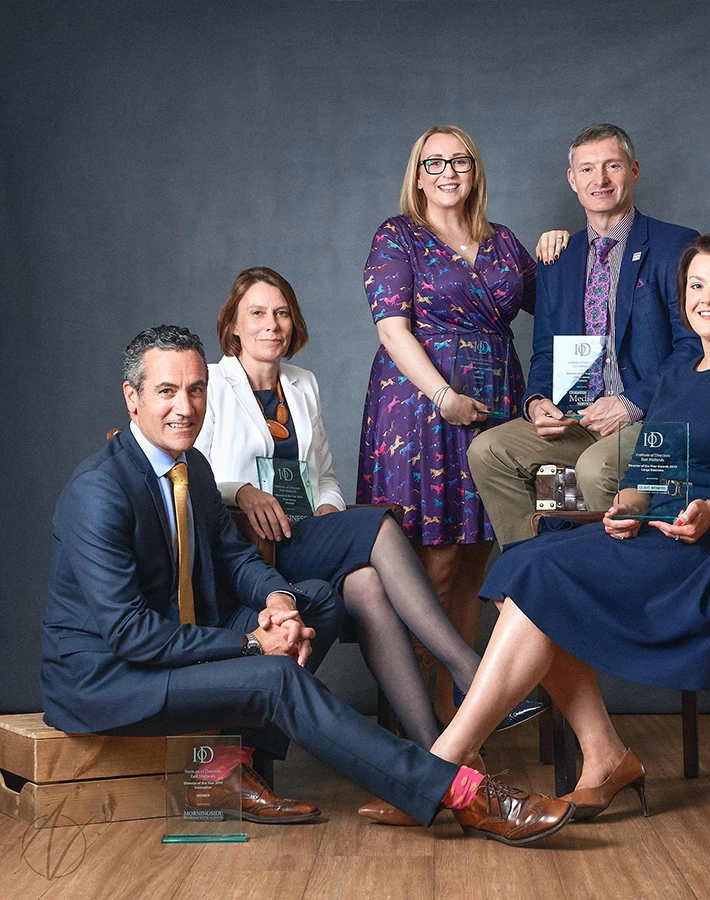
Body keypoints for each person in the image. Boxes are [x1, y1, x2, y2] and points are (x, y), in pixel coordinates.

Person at [40, 325, 574, 844]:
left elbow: (232, 558)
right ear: (132, 398)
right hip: (110, 677)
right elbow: (131, 635)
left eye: (196, 389)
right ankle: (461, 792)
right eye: (166, 391)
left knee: (314, 600)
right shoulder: (99, 492)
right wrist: (253, 642)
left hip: (175, 640)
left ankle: (231, 767)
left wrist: (278, 602)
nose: (186, 406)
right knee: (276, 678)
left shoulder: (192, 469)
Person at [425, 233, 710, 820]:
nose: (706, 299)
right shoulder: (680, 372)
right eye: (696, 286)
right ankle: (598, 756)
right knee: (528, 565)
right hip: (652, 536)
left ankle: (442, 767)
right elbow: (648, 467)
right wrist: (629, 506)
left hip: (708, 555)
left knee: (541, 575)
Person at [195, 267, 541, 756]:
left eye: (281, 313)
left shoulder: (302, 384)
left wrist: (331, 511)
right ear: (233, 325)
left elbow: (326, 477)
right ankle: (470, 670)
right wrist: (243, 491)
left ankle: (433, 757)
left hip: (305, 533)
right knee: (377, 523)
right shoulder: (210, 383)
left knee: (369, 585)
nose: (271, 324)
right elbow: (192, 474)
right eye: (257, 313)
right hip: (248, 547)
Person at [356, 125, 540, 719]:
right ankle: (419, 730)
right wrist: (442, 396)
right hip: (422, 408)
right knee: (433, 565)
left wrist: (567, 246)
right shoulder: (397, 237)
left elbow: (562, 299)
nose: (446, 173)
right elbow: (392, 329)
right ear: (417, 173)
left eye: (458, 161)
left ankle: (460, 722)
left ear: (475, 170)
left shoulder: (504, 241)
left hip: (497, 403)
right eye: (432, 163)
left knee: (474, 563)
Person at [468, 123, 702, 548]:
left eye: (612, 166)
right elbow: (545, 353)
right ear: (572, 180)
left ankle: (607, 585)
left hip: (653, 417)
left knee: (595, 469)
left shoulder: (676, 246)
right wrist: (537, 402)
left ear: (633, 170)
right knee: (488, 451)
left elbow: (695, 346)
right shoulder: (559, 258)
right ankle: (533, 573)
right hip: (579, 418)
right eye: (588, 169)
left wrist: (632, 403)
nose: (601, 180)